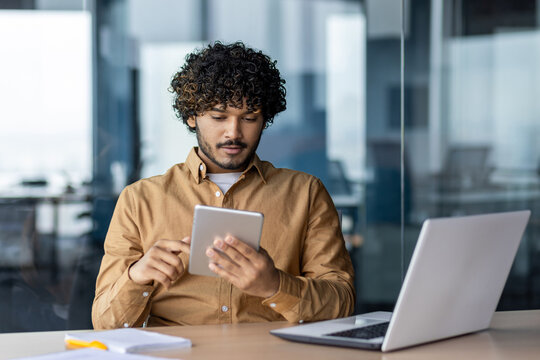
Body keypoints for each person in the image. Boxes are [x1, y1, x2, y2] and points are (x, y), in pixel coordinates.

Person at [92, 41, 355, 329]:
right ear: (192, 116)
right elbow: (105, 325)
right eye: (218, 117)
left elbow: (341, 304)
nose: (234, 132)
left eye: (250, 118)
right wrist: (136, 277)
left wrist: (275, 285)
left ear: (265, 119)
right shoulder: (140, 200)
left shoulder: (305, 193)